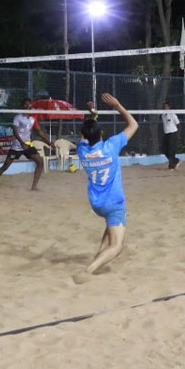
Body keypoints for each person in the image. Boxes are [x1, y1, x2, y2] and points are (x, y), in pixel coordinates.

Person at [73, 92, 139, 283]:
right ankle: (88, 271)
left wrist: (92, 116)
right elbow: (134, 125)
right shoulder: (111, 146)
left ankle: (98, 257)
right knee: (117, 247)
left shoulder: (82, 151)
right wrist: (117, 106)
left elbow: (85, 135)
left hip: (97, 205)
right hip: (113, 204)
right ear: (101, 133)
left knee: (110, 228)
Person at [0, 98, 52, 190]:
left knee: (40, 162)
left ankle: (34, 187)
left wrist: (49, 143)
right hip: (17, 146)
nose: (27, 106)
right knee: (5, 166)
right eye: (25, 104)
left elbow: (39, 132)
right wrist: (21, 142)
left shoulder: (33, 118)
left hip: (27, 145)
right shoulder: (18, 117)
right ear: (22, 106)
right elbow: (15, 131)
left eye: (29, 104)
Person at [160, 100, 181, 170]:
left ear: (169, 107)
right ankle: (175, 161)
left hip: (173, 133)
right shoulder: (163, 115)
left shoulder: (172, 114)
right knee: (164, 149)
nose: (165, 108)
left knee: (171, 150)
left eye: (166, 106)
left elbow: (178, 124)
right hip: (166, 134)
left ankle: (171, 166)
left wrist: (178, 134)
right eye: (164, 107)